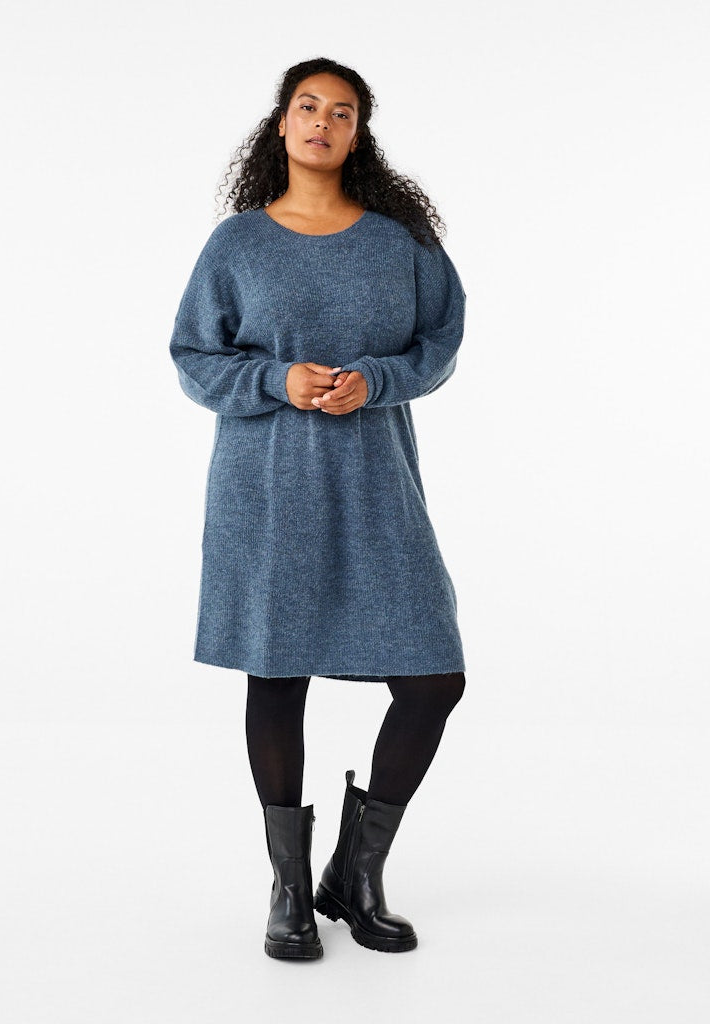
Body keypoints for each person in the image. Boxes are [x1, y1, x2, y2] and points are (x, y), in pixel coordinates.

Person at [169, 57, 468, 960]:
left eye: (342, 112)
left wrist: (374, 378)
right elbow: (194, 356)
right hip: (266, 487)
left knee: (432, 680)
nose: (322, 122)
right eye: (308, 106)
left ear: (357, 133)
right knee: (276, 674)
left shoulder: (399, 241)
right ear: (280, 122)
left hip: (377, 484)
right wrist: (276, 380)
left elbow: (441, 339)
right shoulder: (237, 245)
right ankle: (290, 890)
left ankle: (355, 875)